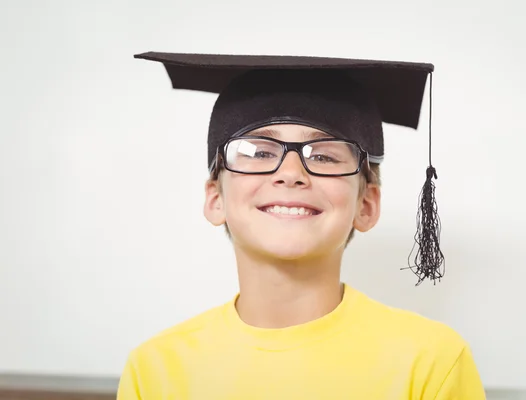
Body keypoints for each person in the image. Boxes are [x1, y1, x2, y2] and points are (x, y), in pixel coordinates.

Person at [117, 52, 486, 399]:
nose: (290, 173)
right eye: (260, 152)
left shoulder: (431, 363)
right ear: (216, 199)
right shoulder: (155, 371)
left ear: (367, 205)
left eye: (324, 156)